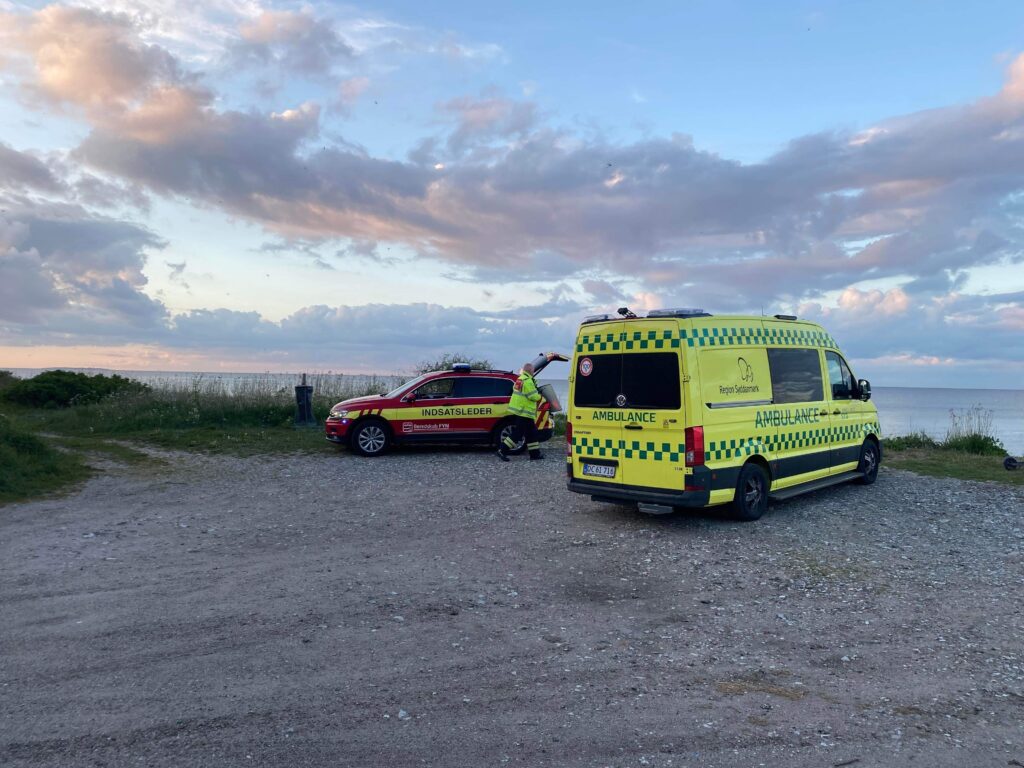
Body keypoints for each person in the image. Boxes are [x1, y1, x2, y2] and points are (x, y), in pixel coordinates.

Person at [497, 362, 545, 461]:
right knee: (518, 433)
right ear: (530, 370)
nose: (533, 371)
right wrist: (540, 395)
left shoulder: (520, 379)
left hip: (521, 411)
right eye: (533, 370)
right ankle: (502, 450)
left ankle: (535, 454)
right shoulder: (528, 381)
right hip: (525, 412)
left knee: (531, 433)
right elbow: (533, 396)